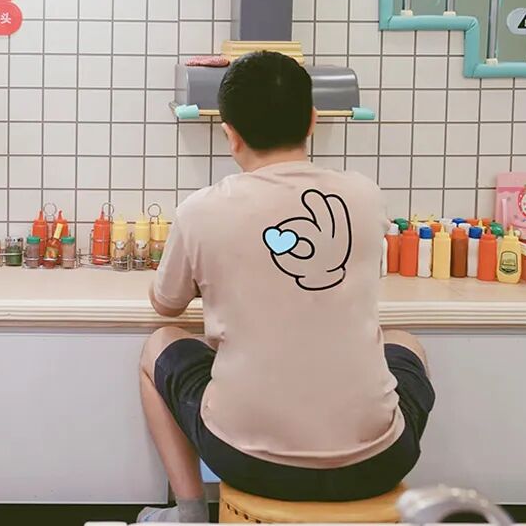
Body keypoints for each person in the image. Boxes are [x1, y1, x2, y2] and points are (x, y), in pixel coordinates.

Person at [137, 52, 434, 523]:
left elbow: (165, 306)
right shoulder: (365, 195)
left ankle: (190, 512)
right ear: (312, 120)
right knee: (406, 343)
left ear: (230, 133)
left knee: (159, 344)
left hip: (248, 460)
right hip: (378, 463)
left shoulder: (201, 211)